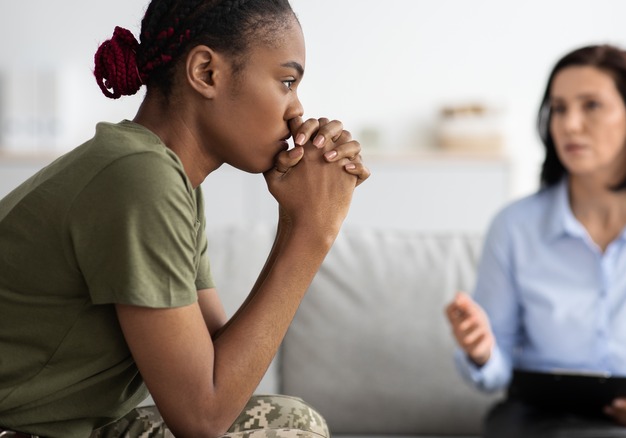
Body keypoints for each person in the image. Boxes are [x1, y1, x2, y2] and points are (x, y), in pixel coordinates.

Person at [0, 0, 370, 437]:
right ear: (206, 73)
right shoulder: (139, 178)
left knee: (291, 422)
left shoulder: (169, 180)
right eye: (286, 81)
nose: (296, 109)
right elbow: (202, 416)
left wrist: (295, 220)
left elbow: (216, 366)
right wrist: (313, 233)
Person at [445, 44, 626, 438]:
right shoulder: (513, 226)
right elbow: (495, 375)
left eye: (591, 106)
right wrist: (481, 352)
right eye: (559, 108)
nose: (569, 124)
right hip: (535, 420)